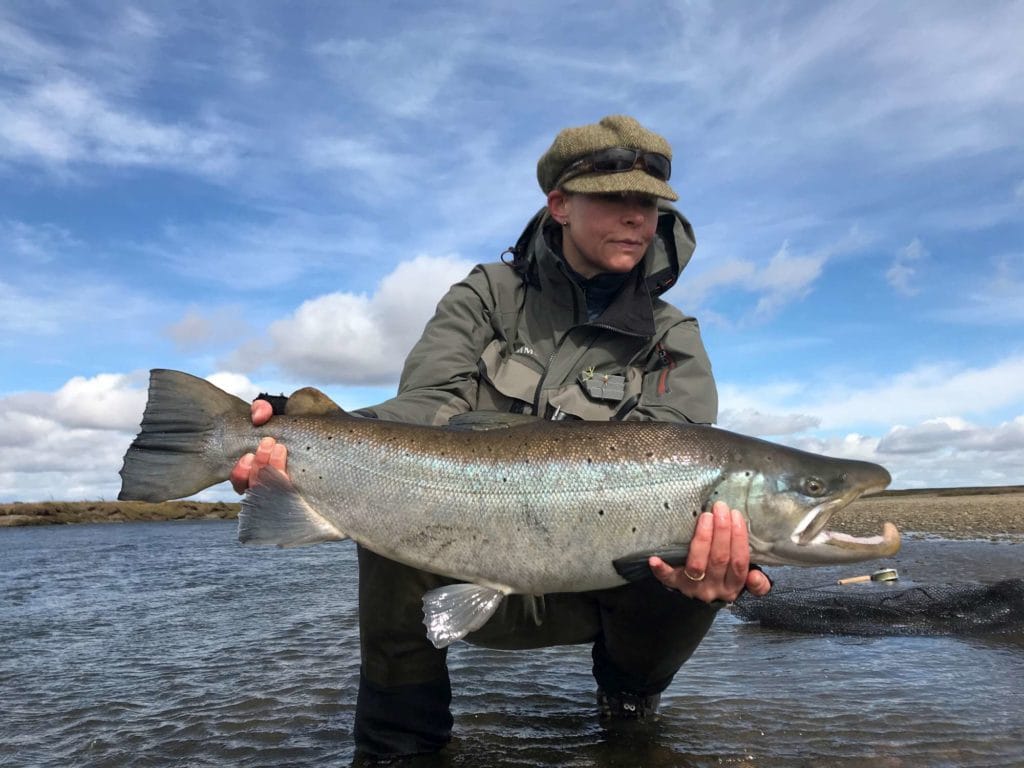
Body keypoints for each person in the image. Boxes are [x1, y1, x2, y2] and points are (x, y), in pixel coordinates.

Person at [230, 115, 772, 760]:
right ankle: (400, 742)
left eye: (648, 203)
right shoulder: (486, 294)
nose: (635, 218)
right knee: (391, 529)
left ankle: (629, 712)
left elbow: (684, 456)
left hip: (600, 581)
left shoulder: (672, 334)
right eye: (614, 198)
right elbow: (424, 405)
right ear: (560, 204)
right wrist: (307, 427)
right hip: (465, 552)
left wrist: (732, 556)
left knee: (699, 545)